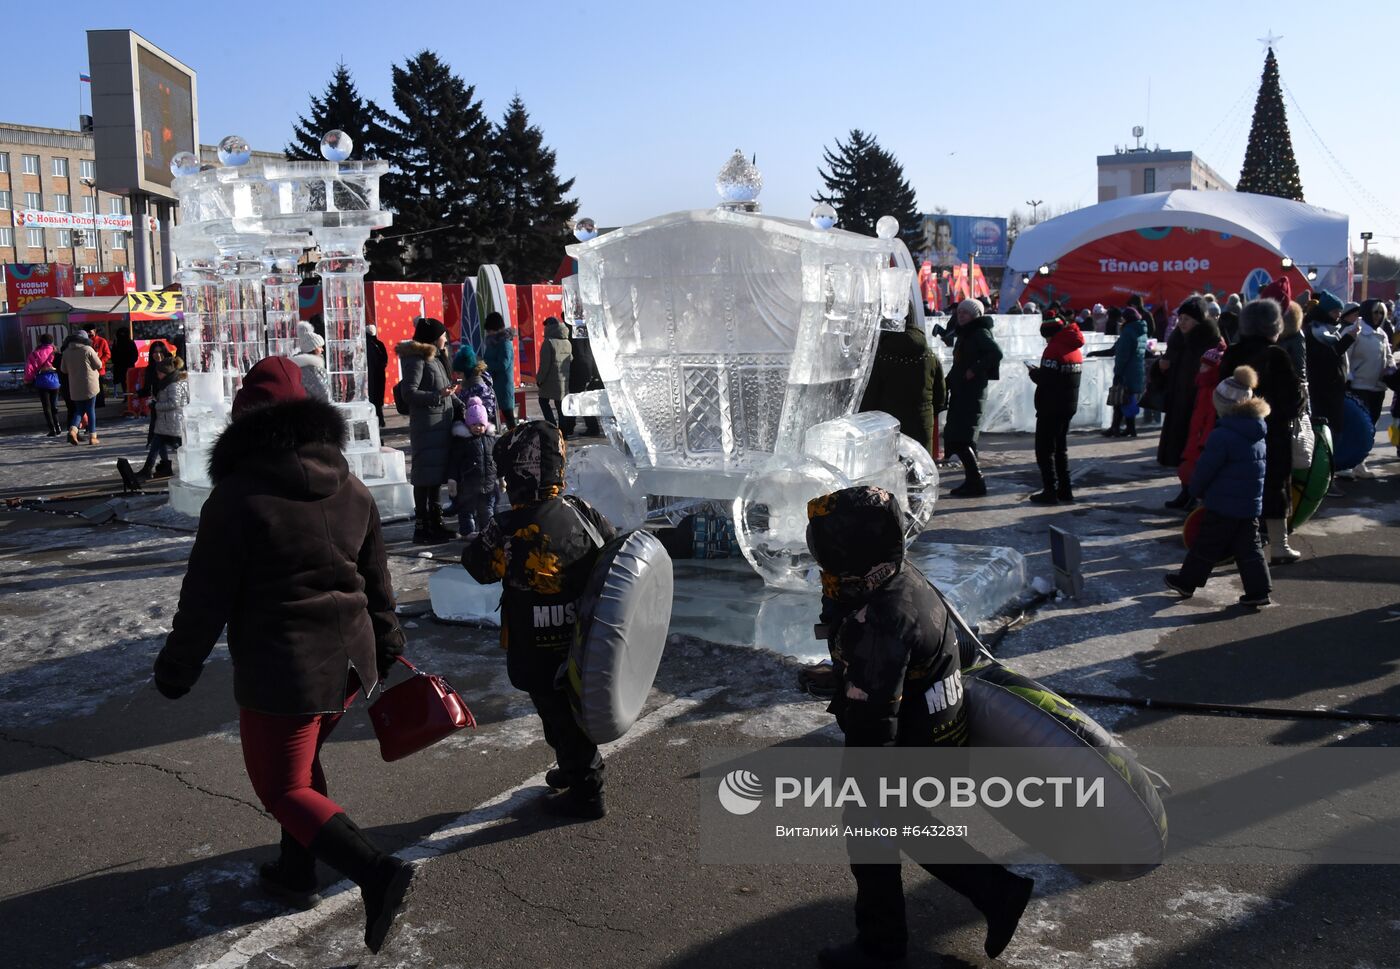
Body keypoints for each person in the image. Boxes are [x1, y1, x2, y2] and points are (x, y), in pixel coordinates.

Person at [151, 357, 414, 954]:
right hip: (350, 663)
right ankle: (297, 869)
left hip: (286, 668)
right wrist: (388, 636)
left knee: (281, 787)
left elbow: (205, 597)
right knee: (302, 770)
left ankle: (376, 872)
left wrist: (177, 667)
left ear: (247, 422)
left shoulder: (238, 496)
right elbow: (377, 577)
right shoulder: (349, 483)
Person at [805, 486, 1034, 968]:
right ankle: (999, 893)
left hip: (908, 745)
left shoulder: (880, 618)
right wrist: (845, 677)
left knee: (871, 830)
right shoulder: (900, 579)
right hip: (936, 733)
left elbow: (875, 718)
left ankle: (880, 948)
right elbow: (907, 665)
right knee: (904, 826)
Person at [462, 421, 617, 819]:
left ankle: (587, 791)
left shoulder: (509, 525)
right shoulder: (581, 512)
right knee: (572, 710)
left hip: (536, 647)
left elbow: (479, 567)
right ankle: (575, 767)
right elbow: (614, 553)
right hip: (583, 641)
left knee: (559, 716)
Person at [1164, 366, 1273, 608]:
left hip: (1223, 503)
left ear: (1223, 406)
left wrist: (1195, 489)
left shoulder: (1222, 435)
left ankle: (1186, 582)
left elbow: (1206, 468)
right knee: (1249, 548)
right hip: (1249, 503)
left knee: (1206, 544)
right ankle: (1259, 590)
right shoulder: (1257, 431)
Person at [1222, 298, 1307, 564]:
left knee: (1237, 487)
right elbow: (1292, 403)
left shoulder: (1232, 353)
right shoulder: (1278, 354)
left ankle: (1232, 545)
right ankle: (1279, 546)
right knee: (1273, 486)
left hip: (1233, 430)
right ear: (1274, 326)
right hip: (1272, 433)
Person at [395, 318, 458, 544]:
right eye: (443, 334)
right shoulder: (416, 358)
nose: (446, 338)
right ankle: (422, 528)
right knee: (423, 478)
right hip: (426, 427)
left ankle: (436, 523)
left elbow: (442, 390)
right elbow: (408, 394)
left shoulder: (436, 357)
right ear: (433, 337)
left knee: (434, 477)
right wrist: (437, 396)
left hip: (439, 426)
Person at [1158, 296, 1222, 509]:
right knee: (1182, 452)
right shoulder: (1178, 340)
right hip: (1179, 402)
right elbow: (1169, 370)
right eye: (1180, 318)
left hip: (1200, 405)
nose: (1182, 323)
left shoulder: (1210, 342)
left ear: (1198, 320)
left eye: (1186, 319)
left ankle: (1196, 493)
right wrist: (1161, 368)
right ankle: (1186, 491)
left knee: (1196, 452)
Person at [859, 308, 945, 457]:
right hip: (922, 423)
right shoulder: (929, 355)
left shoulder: (881, 356)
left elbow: (870, 397)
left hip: (889, 426)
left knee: (893, 471)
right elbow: (940, 396)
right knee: (919, 471)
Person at [937, 299, 1002, 497]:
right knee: (959, 436)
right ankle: (972, 481)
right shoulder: (965, 333)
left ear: (975, 315)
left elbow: (995, 353)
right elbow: (960, 364)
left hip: (971, 392)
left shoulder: (979, 332)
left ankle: (977, 482)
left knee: (962, 438)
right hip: (962, 390)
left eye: (966, 313)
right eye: (960, 312)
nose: (961, 315)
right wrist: (947, 382)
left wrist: (974, 370)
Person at [1026, 310, 1084, 503]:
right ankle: (1065, 489)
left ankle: (1050, 490)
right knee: (1060, 449)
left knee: (1044, 450)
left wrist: (1034, 373)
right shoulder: (1073, 347)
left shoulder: (1053, 349)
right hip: (1067, 405)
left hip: (1051, 406)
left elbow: (1047, 380)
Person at [1345, 299, 1394, 478]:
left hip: (1378, 388)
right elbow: (1345, 356)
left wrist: (1391, 373)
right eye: (1375, 312)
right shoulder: (1356, 331)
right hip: (1359, 386)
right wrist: (1348, 379)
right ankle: (1346, 463)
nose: (1378, 316)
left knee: (1371, 427)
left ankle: (1360, 463)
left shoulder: (1382, 334)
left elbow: (1388, 357)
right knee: (1356, 427)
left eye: (1381, 313)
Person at [1303, 291, 1356, 447]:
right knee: (1326, 431)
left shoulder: (1330, 330)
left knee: (1335, 429)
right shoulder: (1316, 331)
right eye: (1334, 312)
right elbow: (1326, 357)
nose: (1338, 316)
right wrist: (1349, 339)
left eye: (1339, 312)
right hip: (1322, 389)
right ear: (1325, 312)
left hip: (1334, 388)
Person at [1175, 346, 1226, 498]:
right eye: (1201, 365)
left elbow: (1210, 417)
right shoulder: (1202, 385)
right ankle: (1186, 493)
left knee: (1195, 467)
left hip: (1202, 436)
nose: (1201, 368)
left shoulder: (1214, 389)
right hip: (1196, 432)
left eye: (1205, 366)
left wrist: (1203, 439)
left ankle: (1192, 496)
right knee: (1187, 464)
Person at [136, 347, 189, 480]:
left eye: (159, 373)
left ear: (166, 372)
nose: (158, 376)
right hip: (167, 423)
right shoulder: (169, 383)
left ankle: (188, 468)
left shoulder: (173, 385)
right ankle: (151, 469)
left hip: (173, 423)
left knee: (178, 446)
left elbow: (174, 403)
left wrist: (156, 405)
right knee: (157, 444)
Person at [449, 396, 497, 536]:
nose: (478, 428)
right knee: (466, 511)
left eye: (481, 424)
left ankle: (487, 533)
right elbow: (454, 462)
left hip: (487, 486)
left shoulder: (490, 440)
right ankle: (467, 533)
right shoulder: (463, 441)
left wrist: (500, 478)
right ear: (468, 424)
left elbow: (495, 460)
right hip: (468, 486)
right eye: (474, 424)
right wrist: (452, 480)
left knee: (487, 512)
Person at [1101, 307, 1148, 437]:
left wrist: (1118, 372)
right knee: (1128, 399)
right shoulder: (1141, 331)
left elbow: (1122, 355)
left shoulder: (1128, 331)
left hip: (1126, 371)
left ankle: (1115, 428)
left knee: (1119, 399)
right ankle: (1130, 428)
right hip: (1137, 370)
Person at [61, 328, 103, 446]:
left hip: (74, 386)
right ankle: (92, 436)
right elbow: (98, 364)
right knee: (90, 410)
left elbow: (63, 369)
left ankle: (73, 430)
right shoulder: (88, 349)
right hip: (90, 385)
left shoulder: (66, 352)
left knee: (79, 410)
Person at [564, 315, 604, 438]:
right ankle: (588, 427)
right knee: (582, 399)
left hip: (578, 369)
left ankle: (572, 427)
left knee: (575, 398)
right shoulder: (585, 329)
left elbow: (579, 351)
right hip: (588, 367)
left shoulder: (575, 329)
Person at [534, 316, 573, 430]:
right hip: (563, 381)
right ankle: (563, 431)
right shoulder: (567, 342)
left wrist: (539, 379)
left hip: (549, 380)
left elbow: (544, 365)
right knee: (560, 405)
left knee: (543, 401)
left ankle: (551, 427)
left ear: (549, 327)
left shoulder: (548, 342)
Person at [482, 312, 518, 429]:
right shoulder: (492, 342)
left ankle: (515, 438)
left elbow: (503, 364)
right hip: (492, 383)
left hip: (503, 384)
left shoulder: (505, 343)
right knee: (492, 414)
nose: (488, 333)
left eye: (489, 330)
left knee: (508, 416)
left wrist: (485, 364)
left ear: (495, 328)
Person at [24, 334, 63, 436]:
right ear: (52, 341)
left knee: (47, 407)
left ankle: (52, 429)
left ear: (40, 342)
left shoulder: (35, 354)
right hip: (55, 382)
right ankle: (58, 426)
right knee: (54, 405)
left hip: (42, 382)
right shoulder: (56, 352)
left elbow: (29, 369)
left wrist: (28, 380)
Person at [291, 321, 331, 401]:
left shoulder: (305, 366)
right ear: (312, 348)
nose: (322, 349)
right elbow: (324, 394)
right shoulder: (308, 368)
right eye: (320, 347)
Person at [366, 323, 389, 428]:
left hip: (371, 377)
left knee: (373, 398)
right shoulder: (379, 344)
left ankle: (377, 420)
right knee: (378, 399)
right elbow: (385, 360)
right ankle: (380, 420)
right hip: (378, 376)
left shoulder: (367, 344)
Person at [85, 324, 111, 408]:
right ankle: (93, 403)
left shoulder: (102, 341)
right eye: (87, 332)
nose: (88, 333)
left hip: (99, 369)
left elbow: (107, 354)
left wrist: (100, 362)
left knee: (99, 387)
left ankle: (100, 403)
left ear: (94, 331)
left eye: (90, 331)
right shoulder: (84, 342)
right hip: (88, 369)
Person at [112, 327, 138, 400]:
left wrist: (131, 363)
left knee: (130, 382)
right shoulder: (116, 343)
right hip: (120, 367)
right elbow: (113, 354)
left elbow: (135, 355)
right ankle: (126, 397)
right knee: (123, 383)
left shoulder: (130, 342)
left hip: (128, 366)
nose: (122, 335)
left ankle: (130, 397)